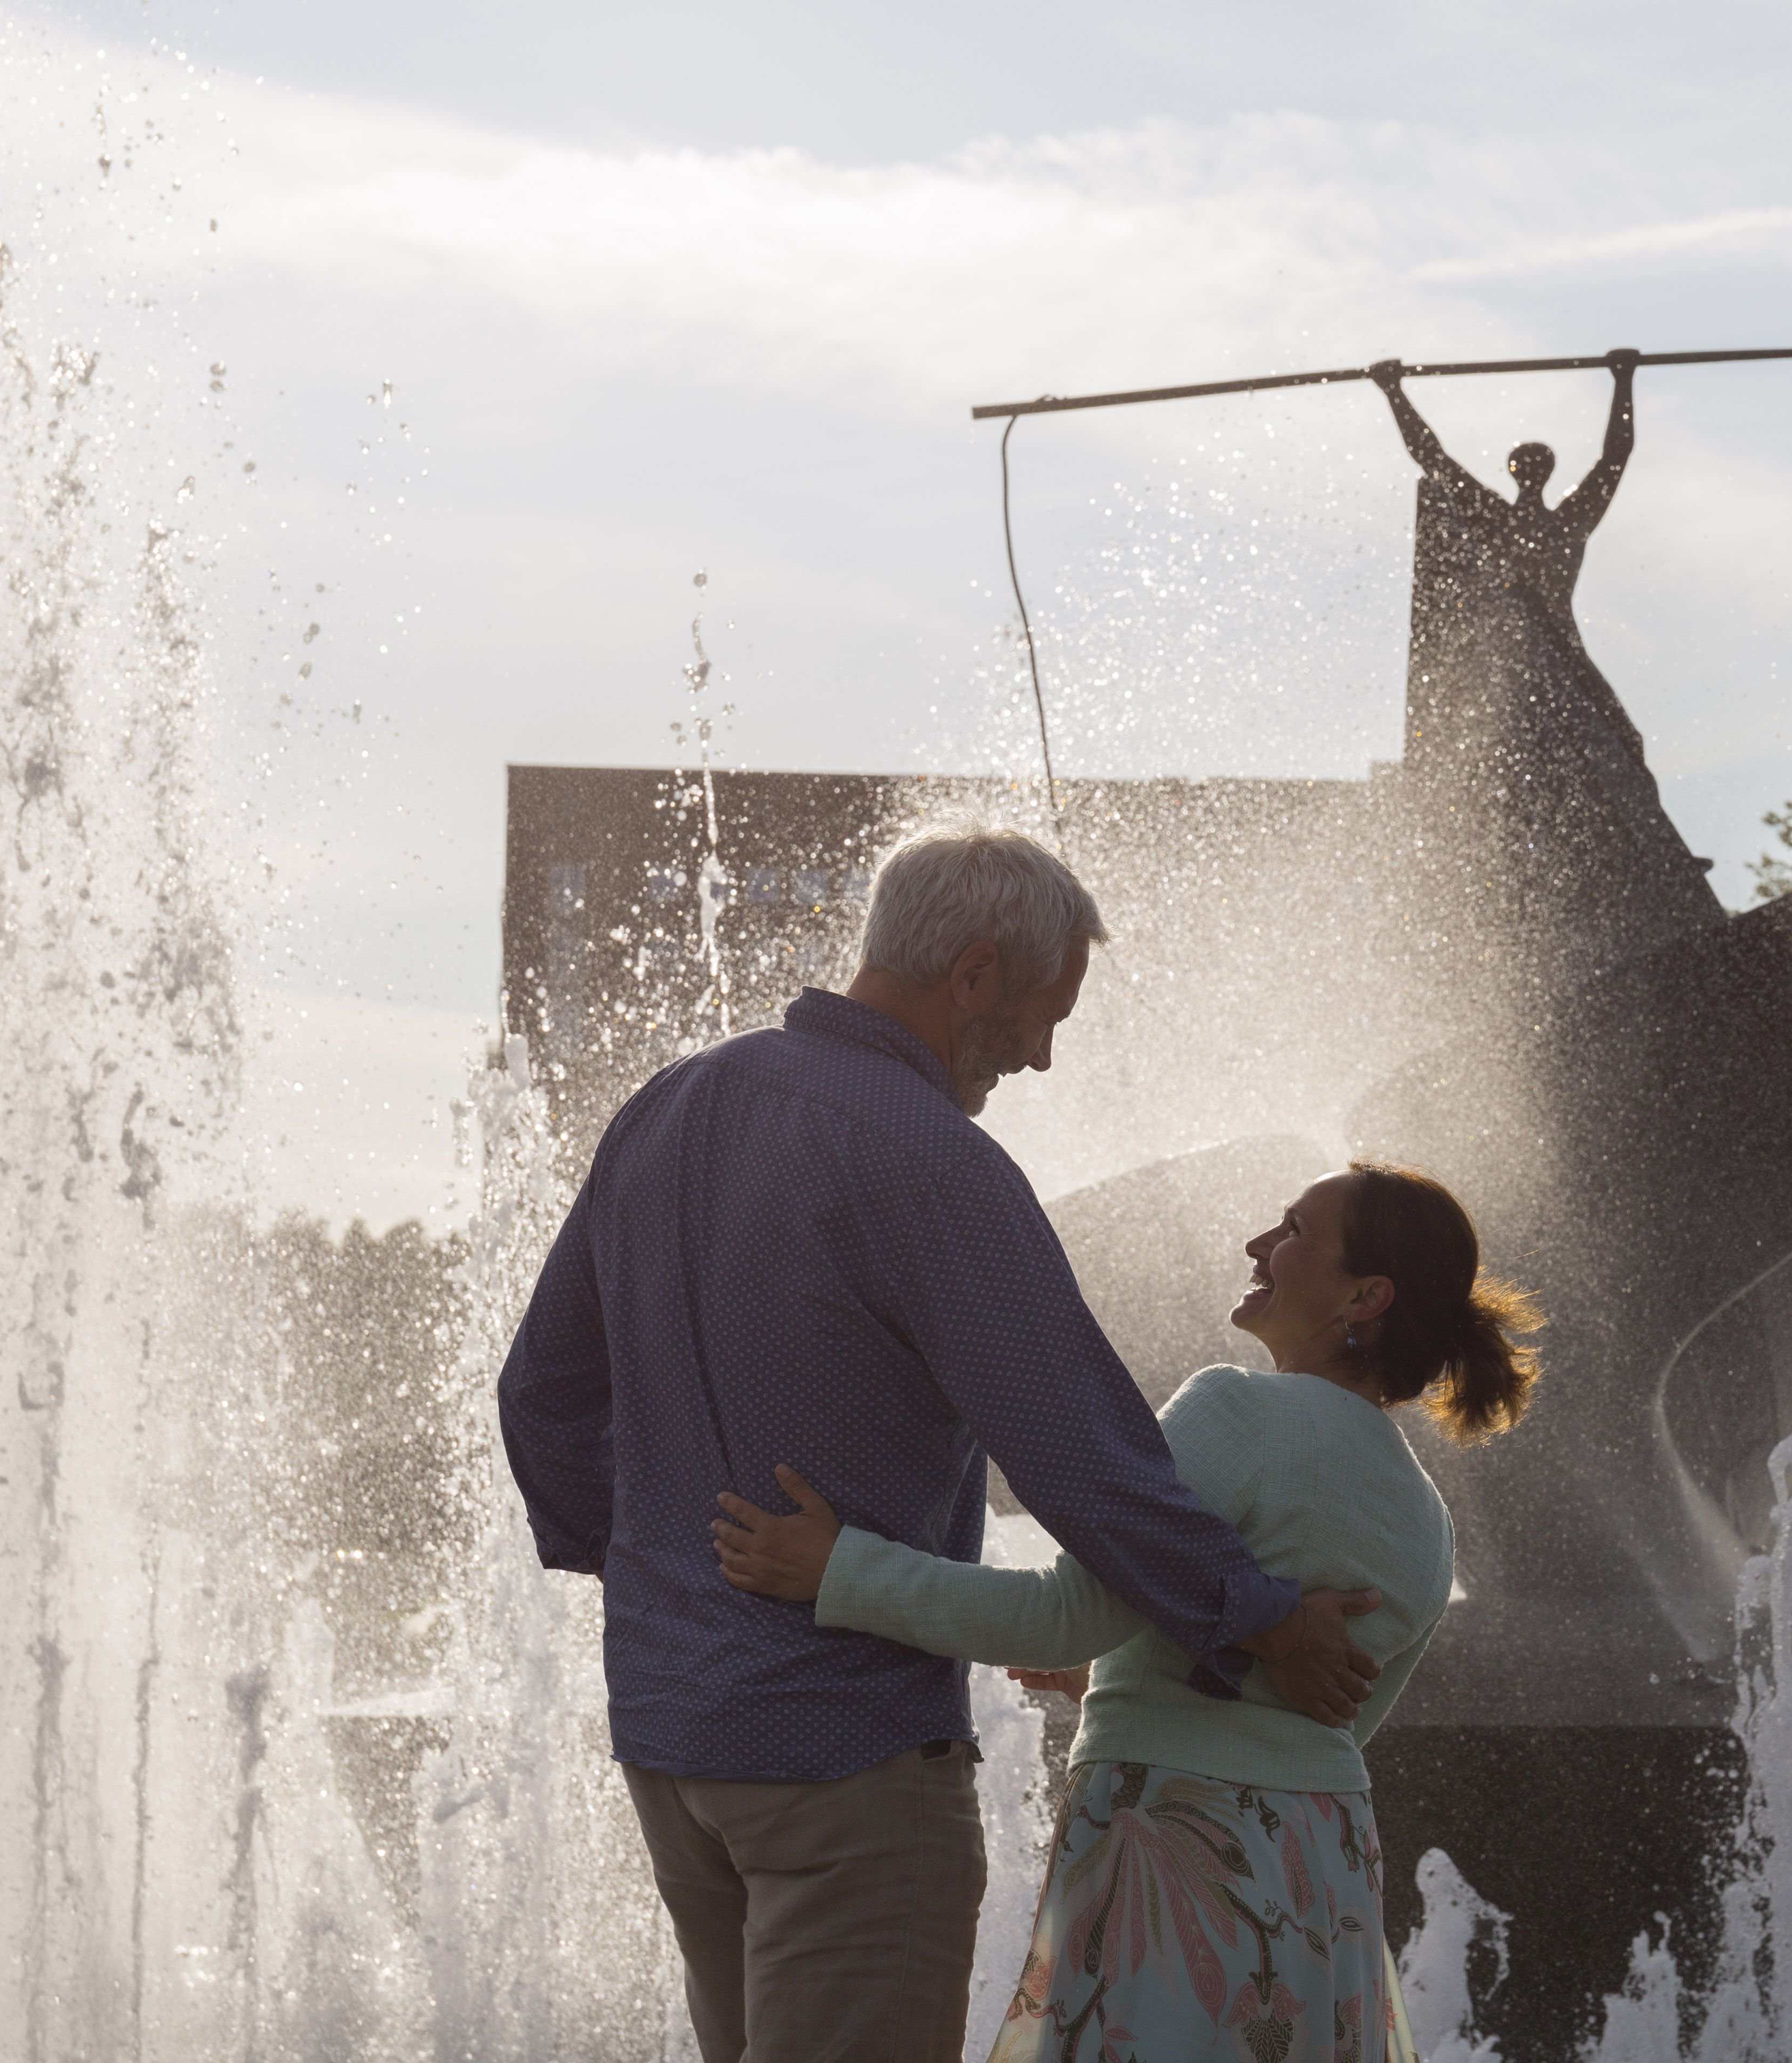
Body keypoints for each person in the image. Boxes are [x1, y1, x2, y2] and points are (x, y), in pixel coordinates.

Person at [495, 823, 1386, 2063]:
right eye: (1039, 1012)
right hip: (844, 1764)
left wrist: (664, 1577)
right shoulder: (930, 1163)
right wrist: (1255, 1615)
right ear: (970, 973)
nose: (1041, 1052)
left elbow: (538, 1393)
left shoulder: (666, 1106)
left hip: (673, 1746)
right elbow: (1084, 1459)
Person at [710, 1162, 1541, 2063]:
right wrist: (1122, 1676)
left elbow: (1060, 1615)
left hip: (1175, 1852)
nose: (1259, 1246)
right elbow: (1327, 1722)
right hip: (1325, 1875)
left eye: (1295, 1231)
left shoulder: (1238, 1409)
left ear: (1365, 1298)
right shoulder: (1429, 1520)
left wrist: (840, 1570)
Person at [1370, 347, 1722, 993]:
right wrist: (1393, 392)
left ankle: (1658, 856)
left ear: (1548, 474)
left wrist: (1624, 380)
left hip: (1563, 654)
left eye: (1539, 467)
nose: (1531, 475)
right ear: (1512, 473)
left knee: (1628, 745)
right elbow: (1433, 459)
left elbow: (1616, 458)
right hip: (1520, 666)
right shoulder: (1497, 522)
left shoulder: (1568, 524)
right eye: (1523, 467)